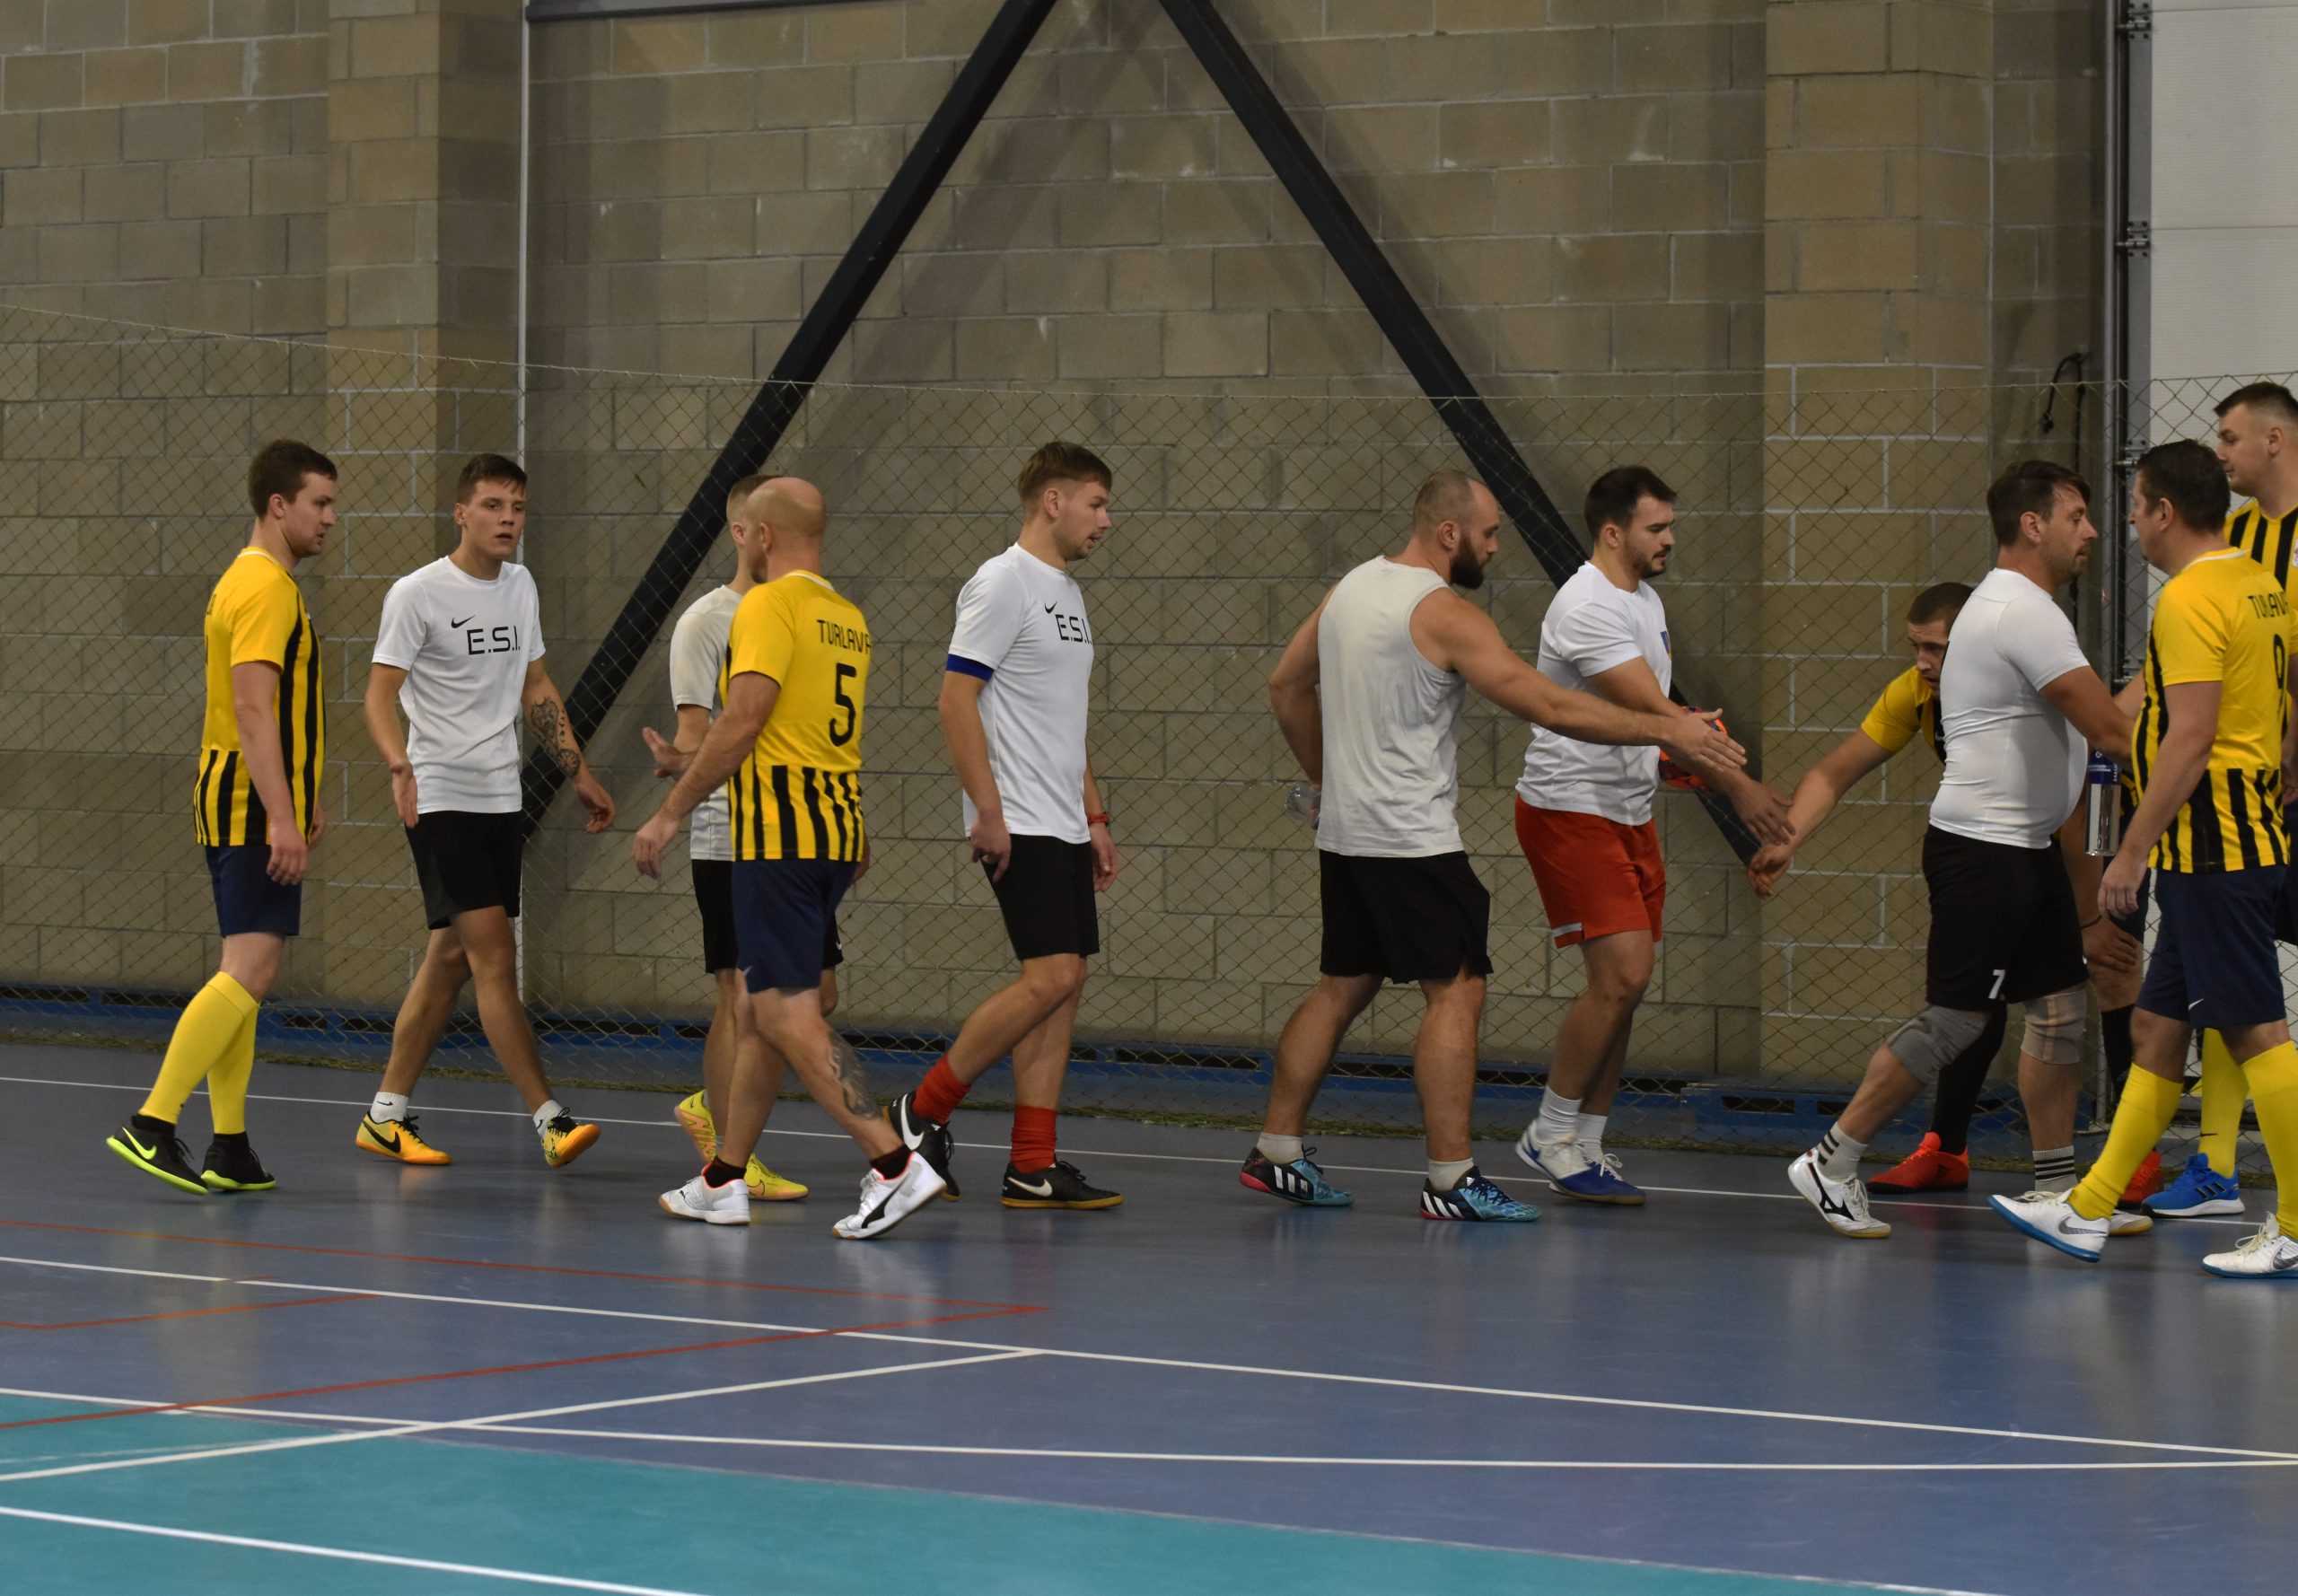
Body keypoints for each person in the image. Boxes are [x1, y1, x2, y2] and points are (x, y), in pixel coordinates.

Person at [1241, 469, 1744, 1220]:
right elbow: (1547, 704)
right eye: (1488, 533)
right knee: (1457, 991)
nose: (1495, 546)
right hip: (1411, 839)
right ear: (1449, 533)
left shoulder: (1350, 588)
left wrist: (1327, 781)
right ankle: (1451, 1179)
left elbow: (1286, 685)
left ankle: (1277, 1149)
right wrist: (1670, 729)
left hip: (1347, 835)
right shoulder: (1446, 614)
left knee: (1342, 985)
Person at [1786, 460, 2136, 1240]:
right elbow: (2114, 733)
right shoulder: (2021, 612)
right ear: (2034, 525)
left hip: (2027, 848)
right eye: (2076, 516)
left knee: (2059, 1011)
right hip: (1984, 853)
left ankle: (2058, 1192)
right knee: (1954, 1022)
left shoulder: (2018, 608)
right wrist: (2217, 752)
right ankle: (1831, 1160)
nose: (2091, 531)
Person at [1992, 439, 2298, 1277]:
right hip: (2242, 832)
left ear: (2165, 511)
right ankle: (2090, 1208)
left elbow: (2191, 737)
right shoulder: (2259, 582)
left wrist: (2129, 853)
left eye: (2133, 506)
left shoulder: (2190, 598)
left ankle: (2294, 1228)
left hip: (2214, 845)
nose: (2126, 523)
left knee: (2259, 1033)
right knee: (2159, 1028)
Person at [633, 477, 947, 1239]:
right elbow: (807, 733)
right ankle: (724, 1178)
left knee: (781, 1009)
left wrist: (670, 813)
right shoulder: (848, 619)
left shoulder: (766, 605)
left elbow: (744, 721)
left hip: (777, 836)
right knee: (757, 1009)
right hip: (833, 831)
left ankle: (894, 1164)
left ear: (763, 535)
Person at [1511, 467, 1791, 1205]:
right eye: (1656, 528)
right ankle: (1549, 1132)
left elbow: (1660, 731)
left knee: (1625, 988)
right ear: (1614, 532)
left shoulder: (1645, 599)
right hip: (1569, 809)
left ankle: (1586, 1142)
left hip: (1627, 811)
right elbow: (1665, 720)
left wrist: (1703, 763)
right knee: (1624, 975)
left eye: (1670, 526)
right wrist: (1741, 789)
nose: (1670, 539)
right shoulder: (1586, 606)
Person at [356, 454, 615, 1169]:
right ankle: (550, 1120)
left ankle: (384, 1116)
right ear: (461, 513)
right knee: (495, 958)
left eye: (518, 508)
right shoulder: (417, 594)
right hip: (440, 796)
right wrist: (399, 763)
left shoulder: (520, 586)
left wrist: (579, 772)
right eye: (494, 506)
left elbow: (536, 686)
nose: (508, 520)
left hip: (501, 796)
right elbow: (378, 694)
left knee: (451, 958)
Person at [883, 443, 1124, 1211]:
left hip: (1063, 818)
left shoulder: (1069, 595)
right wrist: (987, 810)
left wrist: (1094, 815)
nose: (1106, 521)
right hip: (1017, 817)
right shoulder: (1002, 581)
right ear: (1053, 501)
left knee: (1064, 986)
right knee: (1051, 977)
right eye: (1096, 503)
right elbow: (955, 699)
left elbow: (1064, 720)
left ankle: (1031, 1164)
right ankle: (920, 1109)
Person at [107, 442, 336, 1194]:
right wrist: (282, 816)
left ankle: (230, 1146)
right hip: (248, 801)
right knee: (251, 970)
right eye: (320, 503)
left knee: (245, 971)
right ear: (279, 505)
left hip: (235, 793)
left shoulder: (243, 578)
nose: (330, 518)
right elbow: (252, 707)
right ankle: (152, 1122)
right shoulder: (266, 587)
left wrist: (300, 794)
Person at [2140, 381, 2298, 1220]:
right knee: (2230, 976)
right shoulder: (2232, 546)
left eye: (2231, 437)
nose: (2221, 452)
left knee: (2245, 996)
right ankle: (2214, 1167)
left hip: (2265, 779)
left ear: (2275, 439)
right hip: (2256, 791)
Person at [647, 472, 813, 1204]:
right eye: (752, 522)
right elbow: (695, 738)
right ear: (740, 532)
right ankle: (727, 1160)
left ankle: (714, 1109)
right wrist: (680, 767)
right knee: (742, 996)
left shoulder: (798, 611)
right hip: (728, 837)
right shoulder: (706, 622)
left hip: (795, 833)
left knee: (813, 995)